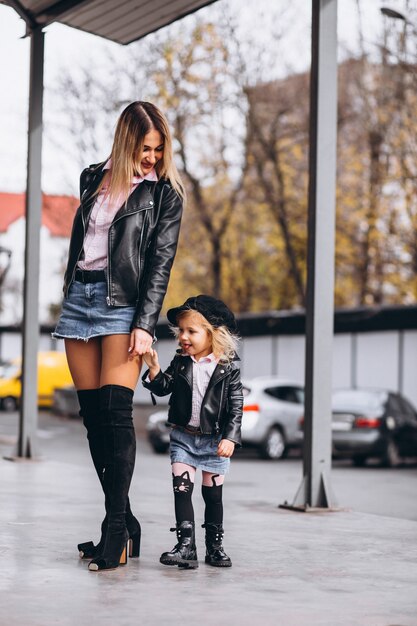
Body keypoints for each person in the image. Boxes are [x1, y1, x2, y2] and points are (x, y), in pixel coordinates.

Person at [52, 101, 184, 572]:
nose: (151, 157)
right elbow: (82, 244)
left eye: (158, 149)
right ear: (126, 142)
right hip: (80, 300)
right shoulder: (93, 177)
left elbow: (159, 264)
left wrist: (146, 323)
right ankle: (124, 520)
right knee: (93, 421)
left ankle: (114, 530)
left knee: (115, 414)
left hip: (124, 306)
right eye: (144, 148)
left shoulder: (165, 195)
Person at [142, 294, 243, 569]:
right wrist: (153, 368)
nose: (183, 337)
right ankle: (186, 546)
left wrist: (231, 437)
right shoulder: (181, 362)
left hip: (214, 441)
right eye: (181, 331)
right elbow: (163, 387)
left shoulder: (227, 370)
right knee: (182, 490)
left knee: (213, 496)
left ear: (213, 334)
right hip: (183, 439)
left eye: (191, 331)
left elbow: (236, 406)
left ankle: (215, 547)